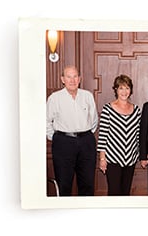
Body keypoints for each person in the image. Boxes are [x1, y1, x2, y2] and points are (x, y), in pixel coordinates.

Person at [46, 65, 98, 196]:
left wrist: (84, 135)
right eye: (68, 77)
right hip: (63, 143)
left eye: (75, 76)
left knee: (87, 184)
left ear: (79, 79)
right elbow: (46, 121)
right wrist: (58, 138)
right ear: (62, 79)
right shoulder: (55, 98)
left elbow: (94, 120)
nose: (72, 80)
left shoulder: (87, 96)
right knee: (64, 183)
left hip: (86, 142)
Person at [97, 74, 141, 195]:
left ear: (130, 90)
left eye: (127, 88)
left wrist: (140, 154)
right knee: (114, 192)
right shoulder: (107, 109)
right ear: (116, 89)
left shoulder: (136, 110)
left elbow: (138, 135)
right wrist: (102, 158)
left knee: (125, 193)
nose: (124, 91)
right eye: (121, 88)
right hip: (113, 159)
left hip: (131, 159)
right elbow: (103, 136)